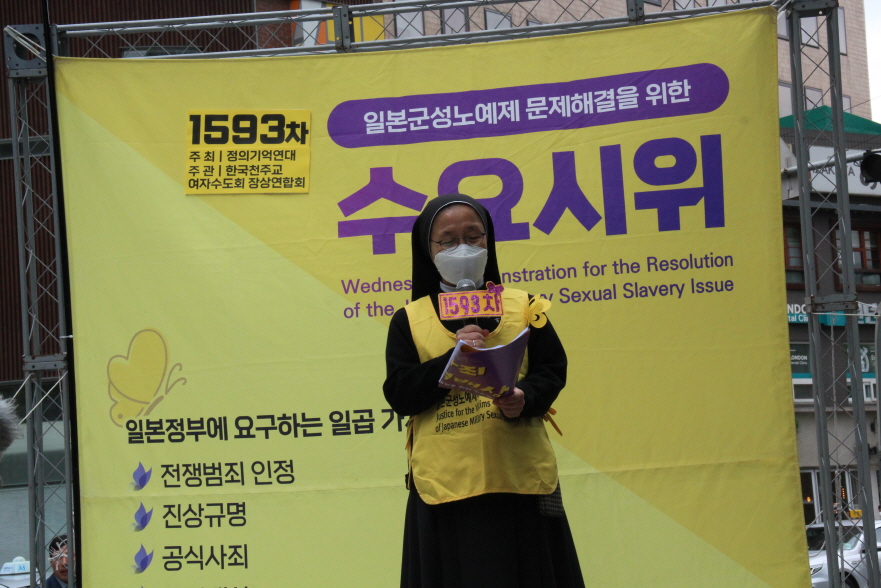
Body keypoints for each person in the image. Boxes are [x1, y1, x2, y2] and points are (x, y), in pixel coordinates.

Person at [383, 193, 584, 588]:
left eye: (473, 237)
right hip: (447, 485)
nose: (463, 248)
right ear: (428, 248)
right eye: (448, 240)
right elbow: (400, 392)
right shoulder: (410, 319)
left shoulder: (524, 306)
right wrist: (452, 360)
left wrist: (525, 397)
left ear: (488, 240)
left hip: (519, 478)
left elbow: (551, 369)